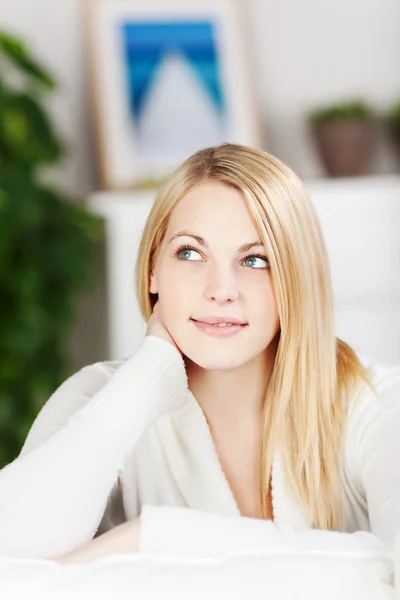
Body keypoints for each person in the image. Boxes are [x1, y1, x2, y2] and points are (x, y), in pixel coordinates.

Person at [0, 143, 399, 564]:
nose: (221, 289)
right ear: (154, 269)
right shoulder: (98, 398)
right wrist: (143, 381)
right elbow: (8, 557)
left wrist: (147, 539)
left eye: (256, 260)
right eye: (190, 253)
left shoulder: (374, 403)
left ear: (297, 277)